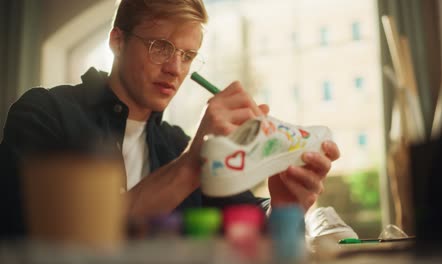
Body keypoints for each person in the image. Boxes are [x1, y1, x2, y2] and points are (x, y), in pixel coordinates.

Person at [0, 0, 340, 238]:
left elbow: (247, 238)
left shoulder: (177, 144)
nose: (175, 69)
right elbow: (39, 238)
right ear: (117, 41)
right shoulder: (45, 113)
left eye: (188, 55)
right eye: (160, 47)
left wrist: (284, 205)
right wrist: (189, 167)